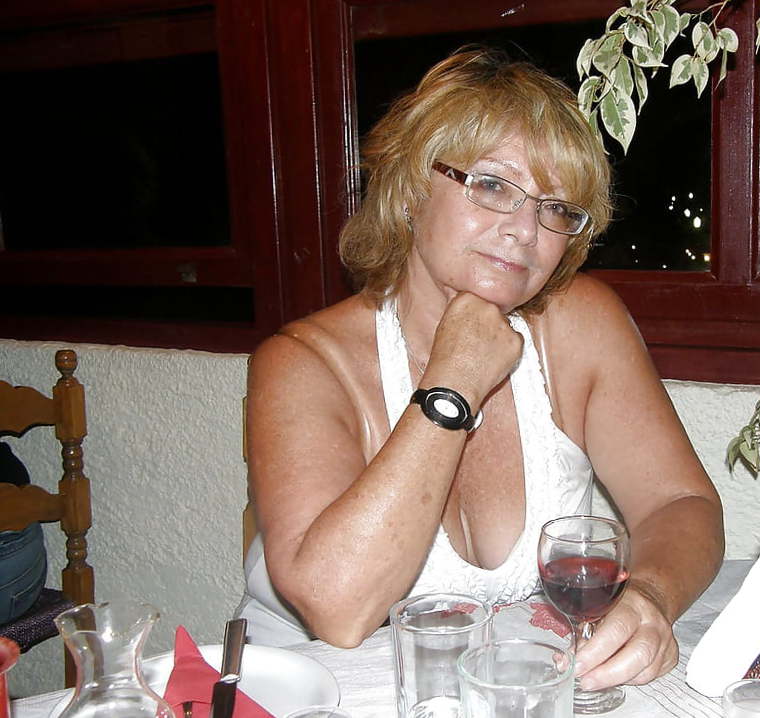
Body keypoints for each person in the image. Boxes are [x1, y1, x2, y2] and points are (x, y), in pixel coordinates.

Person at [237, 45, 723, 689]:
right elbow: (340, 610)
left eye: (556, 208)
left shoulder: (580, 324)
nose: (526, 230)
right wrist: (454, 381)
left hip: (494, 682)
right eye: (492, 185)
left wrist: (651, 596)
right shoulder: (302, 362)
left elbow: (681, 502)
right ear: (411, 190)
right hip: (309, 686)